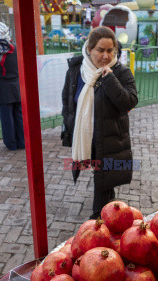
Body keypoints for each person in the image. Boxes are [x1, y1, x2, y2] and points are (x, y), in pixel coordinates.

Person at [61, 26, 138, 219]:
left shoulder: (120, 72)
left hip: (111, 138)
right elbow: (68, 99)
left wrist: (110, 78)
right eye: (100, 50)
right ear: (89, 49)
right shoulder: (76, 70)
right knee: (100, 174)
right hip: (86, 136)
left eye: (110, 51)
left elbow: (129, 101)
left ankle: (100, 217)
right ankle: (106, 209)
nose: (105, 56)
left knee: (105, 179)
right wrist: (68, 125)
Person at [0, 21, 25, 151]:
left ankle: (11, 144)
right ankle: (22, 142)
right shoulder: (15, 48)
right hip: (17, 88)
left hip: (2, 91)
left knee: (6, 120)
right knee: (19, 117)